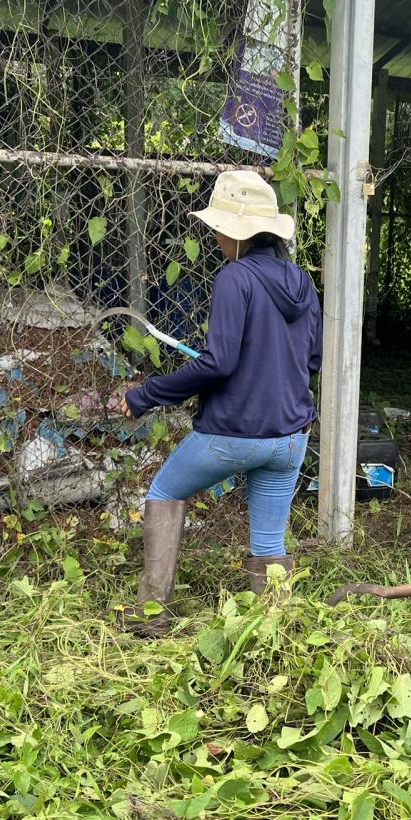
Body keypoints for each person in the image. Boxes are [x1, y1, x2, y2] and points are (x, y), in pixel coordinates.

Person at [122, 171, 322, 631]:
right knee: (270, 539)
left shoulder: (235, 277)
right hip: (290, 437)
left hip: (235, 433)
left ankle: (151, 616)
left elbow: (218, 364)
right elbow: (311, 359)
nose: (213, 235)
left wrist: (146, 394)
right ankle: (273, 631)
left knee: (165, 493)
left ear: (238, 232)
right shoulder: (302, 282)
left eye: (217, 228)